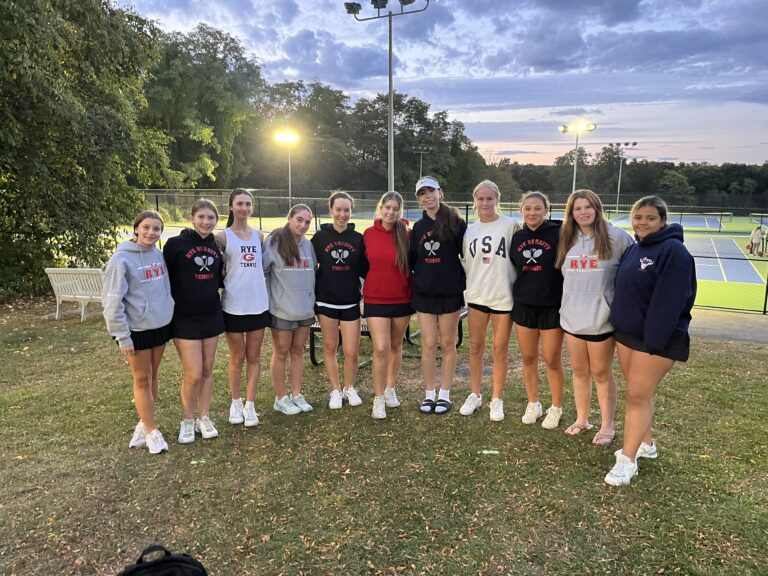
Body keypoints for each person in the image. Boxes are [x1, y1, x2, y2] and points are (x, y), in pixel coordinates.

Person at [605, 195, 696, 486]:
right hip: (628, 335)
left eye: (650, 218)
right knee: (640, 395)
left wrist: (655, 341)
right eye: (638, 217)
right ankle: (647, 445)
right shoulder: (635, 249)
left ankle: (627, 461)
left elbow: (671, 301)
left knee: (636, 396)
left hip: (654, 340)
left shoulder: (674, 251)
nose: (643, 222)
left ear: (662, 220)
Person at [555, 190, 634, 446]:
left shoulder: (617, 237)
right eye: (578, 208)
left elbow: (633, 270)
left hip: (601, 319)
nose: (583, 212)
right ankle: (582, 419)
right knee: (579, 371)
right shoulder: (567, 237)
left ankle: (607, 425)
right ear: (571, 213)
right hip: (572, 318)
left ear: (597, 208)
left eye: (588, 207)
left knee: (601, 373)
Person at [103, 210, 174, 454]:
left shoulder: (158, 254)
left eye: (156, 229)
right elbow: (113, 301)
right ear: (136, 229)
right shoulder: (120, 259)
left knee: (153, 375)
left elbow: (164, 288)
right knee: (141, 378)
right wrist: (122, 335)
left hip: (159, 326)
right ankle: (152, 432)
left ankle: (145, 424)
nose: (151, 233)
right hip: (136, 331)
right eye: (146, 227)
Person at [163, 199, 225, 444]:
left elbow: (220, 277)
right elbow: (164, 279)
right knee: (193, 372)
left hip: (211, 313)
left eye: (211, 218)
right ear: (192, 218)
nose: (206, 222)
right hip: (184, 317)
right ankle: (187, 420)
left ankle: (204, 417)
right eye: (202, 217)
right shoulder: (175, 244)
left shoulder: (217, 245)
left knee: (208, 370)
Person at [459, 180, 519, 421]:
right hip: (477, 295)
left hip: (502, 296)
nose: (485, 203)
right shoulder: (470, 230)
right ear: (475, 201)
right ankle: (475, 394)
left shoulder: (510, 225)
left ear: (497, 200)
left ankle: (496, 398)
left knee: (499, 349)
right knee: (475, 347)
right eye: (481, 199)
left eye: (489, 198)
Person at [410, 176, 467, 415]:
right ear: (419, 198)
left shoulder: (456, 221)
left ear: (439, 192)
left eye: (430, 191)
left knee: (447, 343)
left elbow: (466, 254)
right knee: (428, 344)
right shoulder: (418, 228)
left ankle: (445, 393)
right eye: (422, 193)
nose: (427, 197)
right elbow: (414, 259)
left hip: (449, 291)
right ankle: (429, 394)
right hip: (424, 293)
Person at [510, 191, 565, 429]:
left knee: (552, 359)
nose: (532, 213)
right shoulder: (517, 236)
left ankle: (556, 407)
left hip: (552, 305)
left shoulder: (559, 233)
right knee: (528, 357)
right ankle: (534, 403)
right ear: (522, 210)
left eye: (537, 208)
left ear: (546, 210)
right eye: (527, 208)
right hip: (524, 304)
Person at [215, 189, 269, 428]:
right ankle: (235, 402)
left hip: (258, 305)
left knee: (254, 357)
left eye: (248, 204)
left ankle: (250, 404)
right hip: (233, 305)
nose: (244, 208)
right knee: (238, 357)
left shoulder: (259, 236)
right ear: (231, 207)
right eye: (240, 204)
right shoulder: (222, 237)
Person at [311, 192, 368, 409]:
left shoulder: (358, 239)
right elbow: (310, 265)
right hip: (326, 302)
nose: (342, 214)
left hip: (350, 302)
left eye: (346, 210)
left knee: (352, 351)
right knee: (330, 346)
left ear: (351, 212)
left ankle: (349, 387)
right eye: (338, 210)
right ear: (331, 210)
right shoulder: (319, 238)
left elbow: (364, 269)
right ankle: (335, 390)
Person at [263, 204, 317, 416]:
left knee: (298, 351)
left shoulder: (308, 245)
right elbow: (263, 270)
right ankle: (281, 397)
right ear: (290, 218)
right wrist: (272, 299)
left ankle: (296, 393)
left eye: (307, 222)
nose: (303, 225)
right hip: (282, 310)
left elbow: (313, 271)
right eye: (299, 220)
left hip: (304, 309)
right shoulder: (275, 242)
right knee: (281, 352)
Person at [363, 191, 412, 420]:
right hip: (375, 298)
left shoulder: (406, 234)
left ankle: (391, 388)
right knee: (380, 347)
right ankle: (378, 397)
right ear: (380, 208)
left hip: (402, 298)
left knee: (395, 346)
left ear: (399, 211)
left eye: (395, 209)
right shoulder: (368, 234)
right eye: (387, 207)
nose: (391, 212)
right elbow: (363, 265)